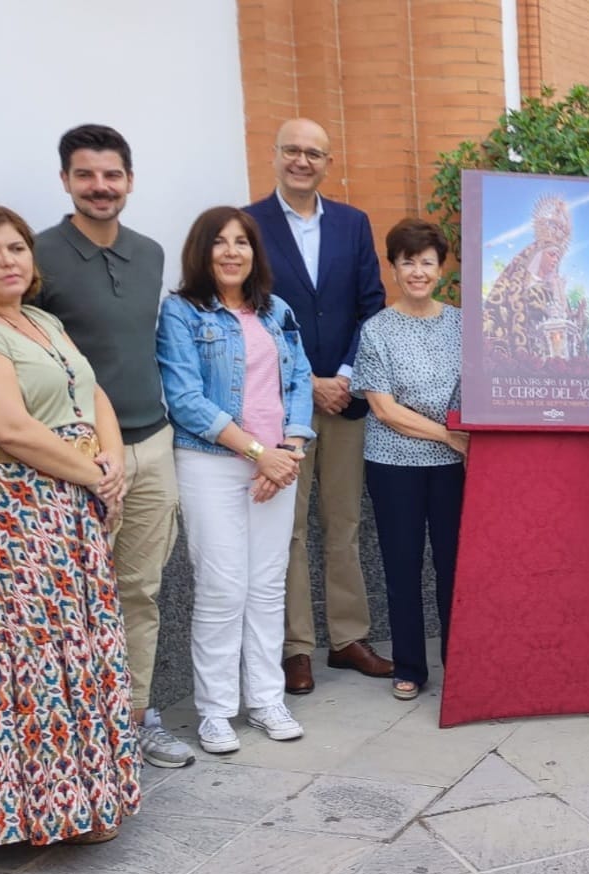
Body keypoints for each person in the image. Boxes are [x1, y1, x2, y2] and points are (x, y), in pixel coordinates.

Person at [0, 205, 139, 845]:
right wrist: (92, 472)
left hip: (66, 501)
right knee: (32, 664)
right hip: (6, 513)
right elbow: (10, 430)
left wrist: (112, 458)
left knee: (82, 652)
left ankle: (91, 804)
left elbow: (93, 392)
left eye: (17, 247)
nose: (9, 260)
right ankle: (36, 815)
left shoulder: (39, 321)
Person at [32, 124, 193, 770]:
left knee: (140, 589)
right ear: (66, 180)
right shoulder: (38, 255)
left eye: (112, 175)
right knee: (75, 597)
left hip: (152, 443)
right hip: (79, 459)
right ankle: (84, 732)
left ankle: (134, 716)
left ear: (129, 179)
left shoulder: (151, 252)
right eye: (86, 175)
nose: (100, 187)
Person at [157, 206, 315, 754]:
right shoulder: (181, 312)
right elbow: (185, 399)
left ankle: (267, 698)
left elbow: (297, 383)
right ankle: (217, 711)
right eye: (219, 242)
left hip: (280, 462)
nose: (231, 251)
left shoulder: (277, 312)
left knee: (267, 587)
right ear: (202, 252)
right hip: (212, 463)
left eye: (241, 242)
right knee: (223, 588)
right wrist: (256, 452)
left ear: (255, 253)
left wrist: (288, 451)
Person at [244, 118, 390, 694]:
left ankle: (347, 638)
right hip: (280, 406)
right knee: (289, 527)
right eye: (292, 151)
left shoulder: (353, 224)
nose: (302, 161)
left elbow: (370, 306)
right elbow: (249, 310)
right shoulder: (249, 224)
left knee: (344, 521)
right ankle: (296, 646)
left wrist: (346, 376)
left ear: (329, 163)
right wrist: (311, 378)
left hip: (346, 400)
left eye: (314, 153)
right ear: (276, 156)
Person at [352, 219, 469, 701]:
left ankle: (460, 661)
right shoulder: (377, 330)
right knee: (401, 566)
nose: (417, 272)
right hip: (393, 464)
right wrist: (450, 437)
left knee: (454, 564)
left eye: (427, 262)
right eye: (407, 262)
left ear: (440, 268)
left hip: (452, 470)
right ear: (393, 268)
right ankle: (410, 667)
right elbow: (384, 408)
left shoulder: (463, 324)